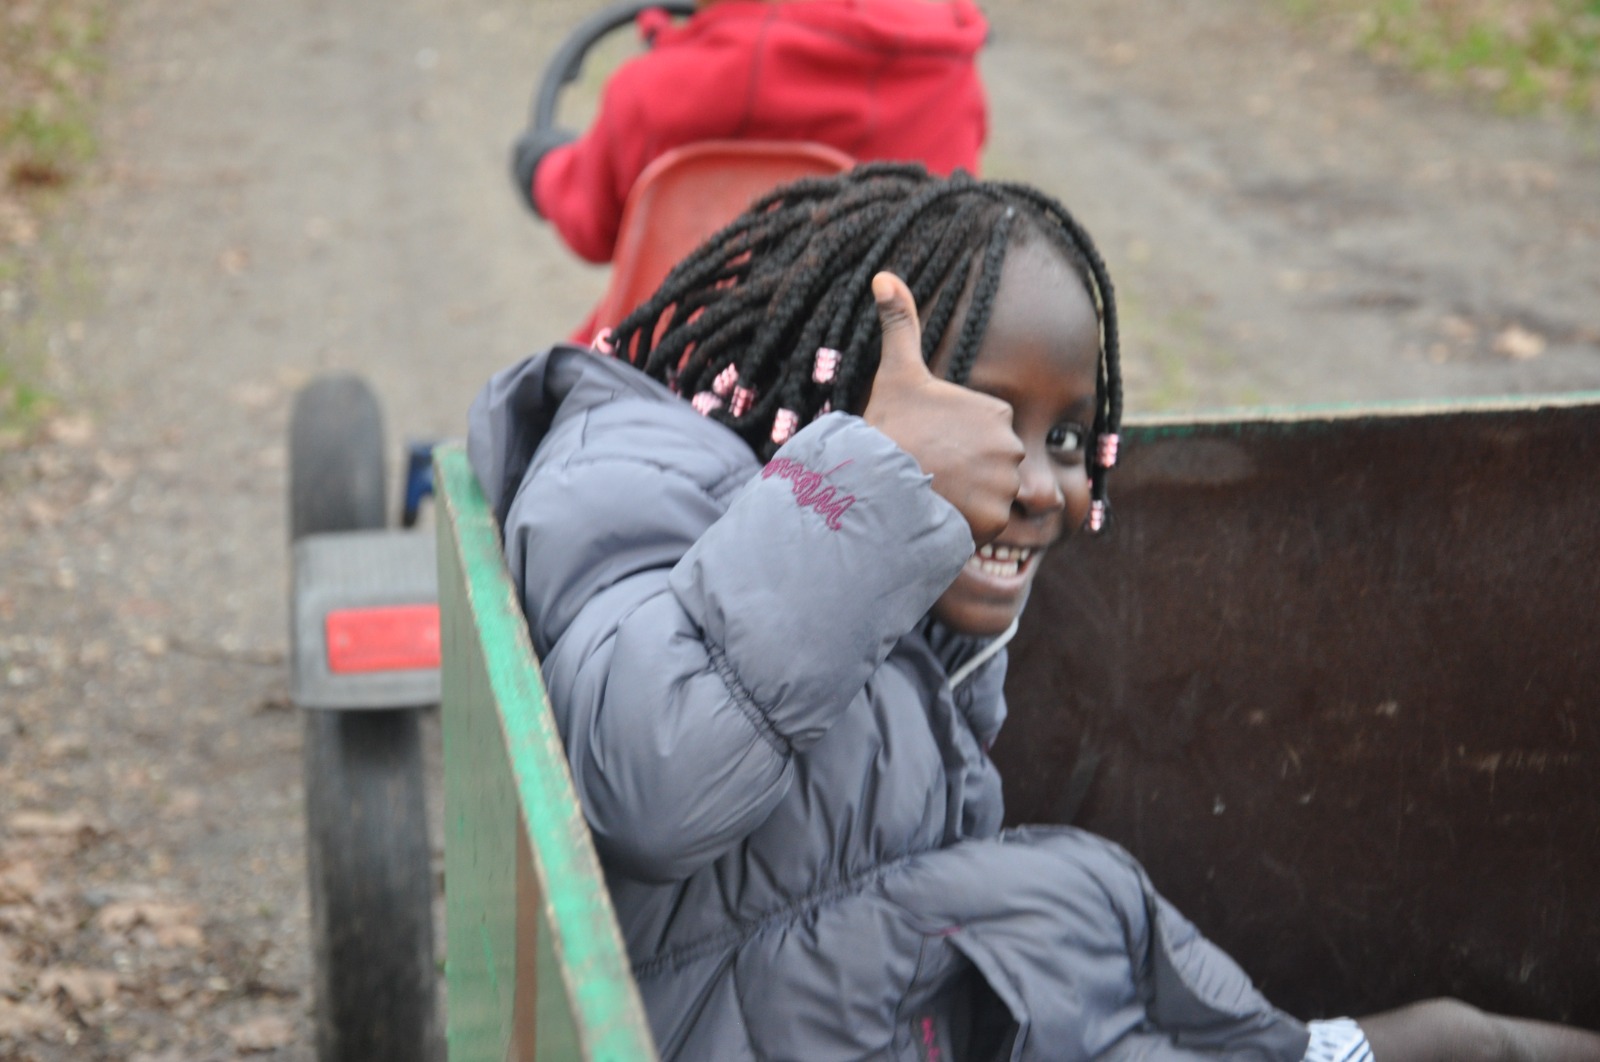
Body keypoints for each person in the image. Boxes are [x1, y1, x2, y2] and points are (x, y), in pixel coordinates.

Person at [467, 166, 1600, 1061]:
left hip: (800, 1005)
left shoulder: (894, 602)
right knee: (1055, 901)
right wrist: (872, 478)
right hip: (687, 1019)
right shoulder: (644, 478)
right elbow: (645, 783)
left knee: (1068, 910)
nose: (1039, 482)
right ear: (842, 391)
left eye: (1066, 437)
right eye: (987, 415)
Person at [512, 0, 989, 265]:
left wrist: (543, 169)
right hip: (883, 366)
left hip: (680, 369)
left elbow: (591, 228)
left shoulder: (653, 93)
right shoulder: (948, 68)